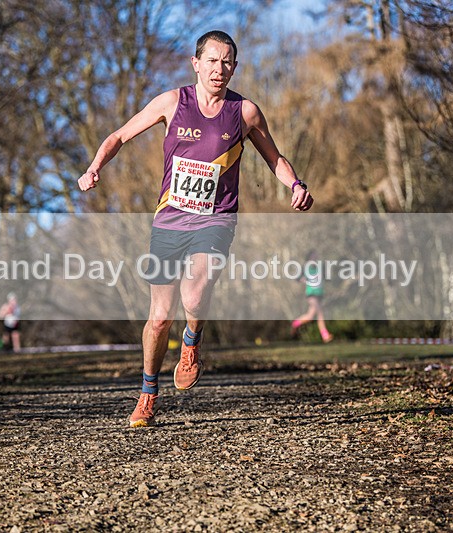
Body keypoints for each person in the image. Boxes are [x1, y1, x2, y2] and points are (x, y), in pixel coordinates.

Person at [78, 30, 314, 427]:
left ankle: (192, 343)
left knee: (195, 291)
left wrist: (295, 184)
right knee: (158, 318)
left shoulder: (245, 113)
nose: (219, 69)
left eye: (227, 62)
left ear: (234, 67)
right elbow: (119, 135)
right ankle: (147, 394)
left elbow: (275, 157)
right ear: (196, 63)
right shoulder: (172, 102)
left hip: (216, 217)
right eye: (212, 60)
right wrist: (95, 167)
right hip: (169, 221)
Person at [291, 250, 332, 343]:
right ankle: (325, 335)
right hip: (311, 294)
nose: (315, 258)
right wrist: (302, 279)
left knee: (310, 316)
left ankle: (295, 323)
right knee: (320, 313)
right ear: (309, 257)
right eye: (313, 256)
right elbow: (297, 277)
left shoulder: (320, 267)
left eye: (316, 256)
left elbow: (326, 277)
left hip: (319, 294)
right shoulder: (305, 267)